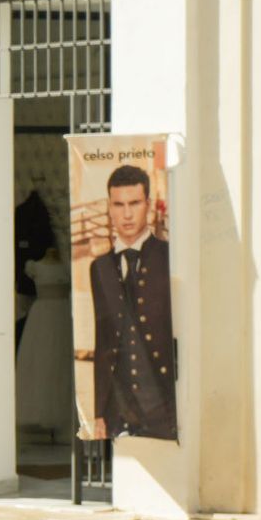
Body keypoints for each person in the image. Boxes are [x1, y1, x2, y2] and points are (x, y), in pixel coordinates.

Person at [90, 164, 177, 441]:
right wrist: (98, 411)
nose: (126, 214)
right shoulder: (100, 267)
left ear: (148, 205)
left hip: (162, 402)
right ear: (109, 207)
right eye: (118, 204)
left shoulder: (169, 258)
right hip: (118, 407)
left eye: (135, 203)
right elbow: (103, 340)